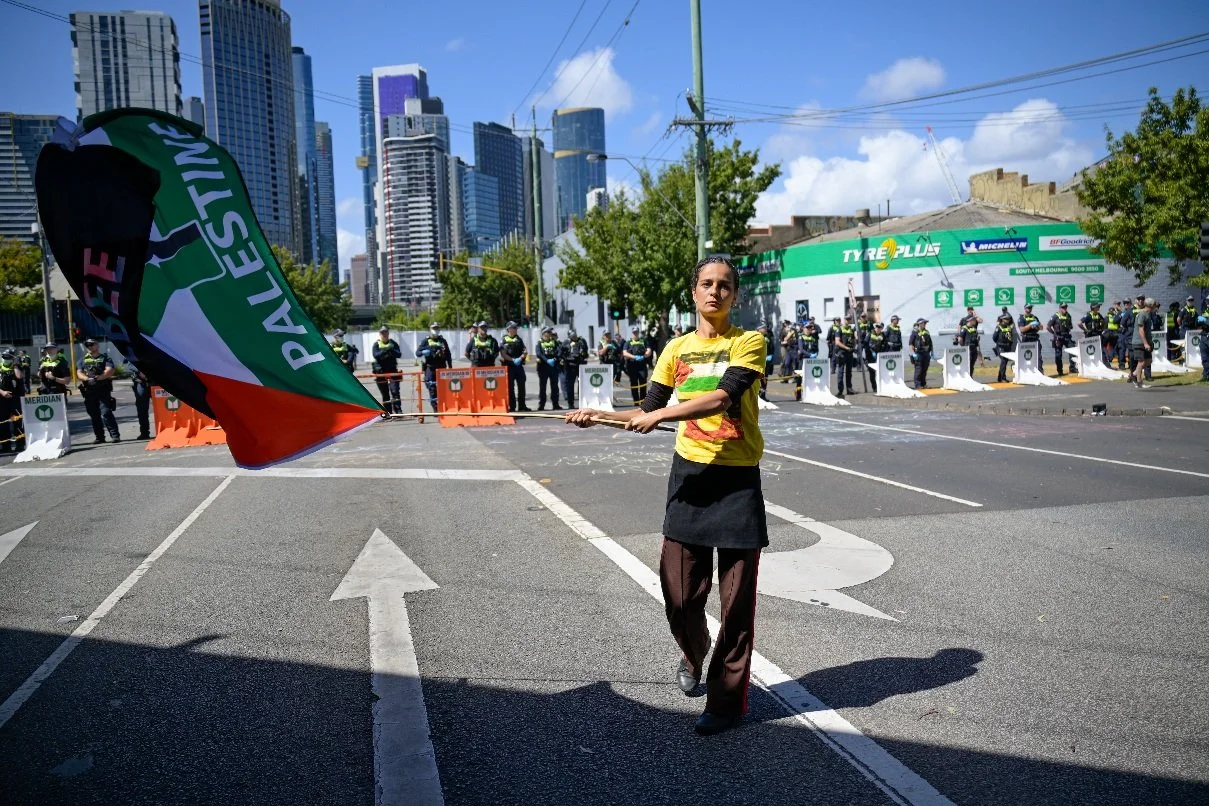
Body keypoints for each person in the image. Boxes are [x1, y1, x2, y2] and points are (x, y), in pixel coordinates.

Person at [567, 256, 767, 737]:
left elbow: (724, 397)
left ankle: (725, 703)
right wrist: (600, 414)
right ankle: (694, 653)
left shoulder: (749, 342)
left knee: (736, 606)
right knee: (679, 595)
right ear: (693, 293)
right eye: (706, 284)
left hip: (737, 479)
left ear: (734, 296)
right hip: (689, 478)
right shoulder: (675, 349)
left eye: (723, 286)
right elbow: (647, 408)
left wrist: (661, 416)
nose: (714, 292)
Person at [78, 338, 120, 443]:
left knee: (106, 412)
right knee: (94, 415)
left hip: (102, 389)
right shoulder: (83, 359)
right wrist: (87, 379)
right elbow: (79, 372)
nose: (90, 347)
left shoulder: (105, 358)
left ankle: (115, 435)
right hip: (89, 391)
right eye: (88, 345)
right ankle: (100, 437)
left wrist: (97, 378)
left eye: (92, 344)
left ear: (97, 345)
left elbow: (109, 371)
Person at [416, 323, 452, 413]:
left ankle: (443, 406)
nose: (435, 330)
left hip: (441, 368)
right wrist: (424, 351)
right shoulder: (426, 341)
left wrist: (450, 367)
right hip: (430, 368)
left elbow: (448, 354)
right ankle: (435, 408)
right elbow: (418, 353)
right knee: (432, 388)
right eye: (434, 328)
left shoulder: (443, 341)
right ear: (430, 329)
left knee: (443, 388)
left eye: (437, 328)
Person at [371, 326, 402, 414]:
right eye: (382, 333)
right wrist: (385, 350)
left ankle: (398, 411)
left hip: (392, 371)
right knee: (385, 394)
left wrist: (391, 349)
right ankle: (388, 412)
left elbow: (399, 354)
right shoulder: (376, 344)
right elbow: (376, 355)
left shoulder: (393, 343)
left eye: (386, 333)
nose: (384, 335)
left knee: (395, 391)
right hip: (381, 372)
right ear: (380, 334)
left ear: (388, 334)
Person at [500, 321, 530, 412]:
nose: (516, 329)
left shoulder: (519, 339)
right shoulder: (504, 339)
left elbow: (524, 351)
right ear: (509, 329)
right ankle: (512, 406)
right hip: (509, 366)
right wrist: (513, 360)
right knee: (510, 388)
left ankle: (522, 406)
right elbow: (503, 354)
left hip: (519, 366)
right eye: (514, 328)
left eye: (516, 328)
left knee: (522, 386)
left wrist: (521, 358)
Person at [0, 350, 25, 453]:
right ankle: (5, 446)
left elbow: (19, 376)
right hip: (2, 398)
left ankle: (20, 444)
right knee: (3, 423)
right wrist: (2, 392)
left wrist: (15, 365)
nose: (6, 359)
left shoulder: (17, 367)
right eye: (4, 357)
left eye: (8, 357)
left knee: (17, 422)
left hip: (15, 398)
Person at [622, 324, 653, 404]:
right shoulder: (628, 343)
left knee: (643, 383)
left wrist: (644, 356)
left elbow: (649, 351)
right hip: (632, 366)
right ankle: (636, 401)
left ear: (638, 333)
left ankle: (643, 401)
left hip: (642, 365)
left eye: (636, 332)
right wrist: (634, 357)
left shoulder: (644, 341)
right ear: (632, 333)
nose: (635, 334)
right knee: (634, 383)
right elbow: (624, 353)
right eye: (634, 332)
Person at [534, 326, 562, 410]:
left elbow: (559, 351)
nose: (550, 334)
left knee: (555, 386)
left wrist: (554, 359)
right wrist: (547, 360)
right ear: (544, 333)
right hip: (543, 367)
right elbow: (539, 353)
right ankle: (541, 405)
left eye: (550, 332)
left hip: (553, 367)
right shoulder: (539, 343)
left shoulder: (554, 342)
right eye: (548, 332)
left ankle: (555, 404)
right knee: (543, 387)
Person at [561, 327, 589, 409]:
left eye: (574, 334)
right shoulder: (566, 342)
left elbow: (585, 352)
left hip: (580, 365)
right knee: (570, 385)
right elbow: (561, 353)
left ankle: (582, 402)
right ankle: (570, 403)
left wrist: (582, 354)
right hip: (570, 366)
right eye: (572, 335)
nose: (574, 336)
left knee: (582, 385)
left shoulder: (581, 341)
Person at [1130, 298, 1155, 389]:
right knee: (1141, 361)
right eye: (1154, 305)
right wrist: (1145, 343)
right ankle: (1139, 382)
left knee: (1149, 361)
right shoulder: (1142, 314)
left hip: (1146, 341)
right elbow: (1141, 330)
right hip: (1139, 342)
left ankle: (1134, 374)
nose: (1155, 306)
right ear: (1151, 305)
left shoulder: (1148, 314)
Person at [124, 359, 152, 440]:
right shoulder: (132, 348)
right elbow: (129, 363)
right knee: (142, 409)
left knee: (163, 407)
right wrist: (140, 372)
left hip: (156, 381)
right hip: (141, 382)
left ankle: (166, 429)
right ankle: (144, 432)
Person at [1047, 302, 1076, 376]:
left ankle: (1072, 368)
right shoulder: (1055, 316)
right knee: (1058, 355)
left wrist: (1068, 327)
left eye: (1065, 307)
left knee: (1073, 351)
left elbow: (1070, 326)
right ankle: (1060, 371)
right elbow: (1048, 326)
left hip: (1067, 337)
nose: (1064, 309)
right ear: (1059, 308)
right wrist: (1054, 334)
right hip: (1058, 338)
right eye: (1063, 307)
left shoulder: (1068, 315)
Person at [833, 315, 858, 396]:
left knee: (849, 372)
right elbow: (837, 342)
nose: (848, 320)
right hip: (841, 353)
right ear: (844, 320)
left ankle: (849, 389)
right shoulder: (839, 329)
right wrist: (847, 348)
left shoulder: (851, 329)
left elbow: (854, 340)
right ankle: (840, 390)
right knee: (840, 372)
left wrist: (854, 346)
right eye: (846, 319)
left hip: (849, 353)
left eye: (849, 319)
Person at [992, 312, 1018, 383]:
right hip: (1000, 346)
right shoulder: (999, 327)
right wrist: (999, 343)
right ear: (1002, 320)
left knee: (1005, 362)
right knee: (1003, 361)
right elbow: (994, 337)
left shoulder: (1009, 327)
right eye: (1006, 319)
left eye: (1008, 319)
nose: (1008, 320)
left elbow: (1011, 336)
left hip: (1007, 346)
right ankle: (1003, 377)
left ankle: (1000, 378)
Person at [908, 318, 933, 389]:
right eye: (924, 323)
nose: (925, 324)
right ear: (919, 324)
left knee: (925, 369)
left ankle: (923, 383)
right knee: (918, 369)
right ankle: (917, 384)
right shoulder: (914, 332)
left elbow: (930, 343)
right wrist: (913, 353)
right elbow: (910, 344)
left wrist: (932, 351)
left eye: (925, 323)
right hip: (918, 353)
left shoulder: (927, 332)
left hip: (926, 353)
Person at [866, 321, 886, 392]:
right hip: (871, 356)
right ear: (875, 327)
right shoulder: (870, 333)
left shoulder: (883, 335)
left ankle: (881, 386)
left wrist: (883, 352)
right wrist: (870, 353)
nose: (878, 328)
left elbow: (885, 345)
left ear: (882, 328)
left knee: (880, 372)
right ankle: (874, 387)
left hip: (880, 355)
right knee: (872, 373)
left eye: (880, 327)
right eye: (877, 327)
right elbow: (866, 344)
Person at [756, 324, 773, 400]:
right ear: (759, 329)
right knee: (759, 379)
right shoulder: (755, 337)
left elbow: (772, 347)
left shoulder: (767, 337)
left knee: (765, 379)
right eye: (763, 328)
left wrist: (771, 354)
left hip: (767, 361)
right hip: (759, 362)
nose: (765, 329)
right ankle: (758, 395)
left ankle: (763, 395)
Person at [1104, 302, 1122, 368]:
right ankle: (1111, 357)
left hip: (1107, 333)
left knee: (1106, 347)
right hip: (1115, 333)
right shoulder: (1116, 317)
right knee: (1113, 347)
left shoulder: (1106, 317)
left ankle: (1109, 358)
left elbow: (1104, 326)